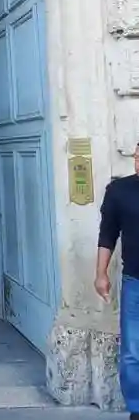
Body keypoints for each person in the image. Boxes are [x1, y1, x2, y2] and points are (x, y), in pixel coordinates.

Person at [95, 142, 139, 419]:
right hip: (135, 282)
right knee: (132, 352)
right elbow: (107, 234)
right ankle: (136, 408)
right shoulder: (119, 191)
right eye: (138, 156)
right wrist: (100, 274)